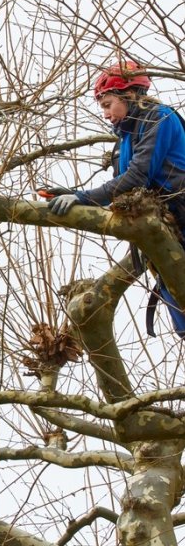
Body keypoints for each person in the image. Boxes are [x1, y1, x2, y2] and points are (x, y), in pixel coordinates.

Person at [44, 60, 185, 338]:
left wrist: (82, 197)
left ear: (129, 95)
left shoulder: (159, 118)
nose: (106, 114)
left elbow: (136, 178)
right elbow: (123, 195)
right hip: (163, 234)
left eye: (108, 104)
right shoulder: (126, 140)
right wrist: (74, 195)